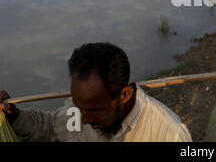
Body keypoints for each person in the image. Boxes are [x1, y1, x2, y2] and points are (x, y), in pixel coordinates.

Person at [0, 43, 192, 142]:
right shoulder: (83, 111)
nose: (83, 120)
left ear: (124, 95)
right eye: (78, 106)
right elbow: (50, 129)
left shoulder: (169, 134)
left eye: (96, 110)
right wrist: (13, 115)